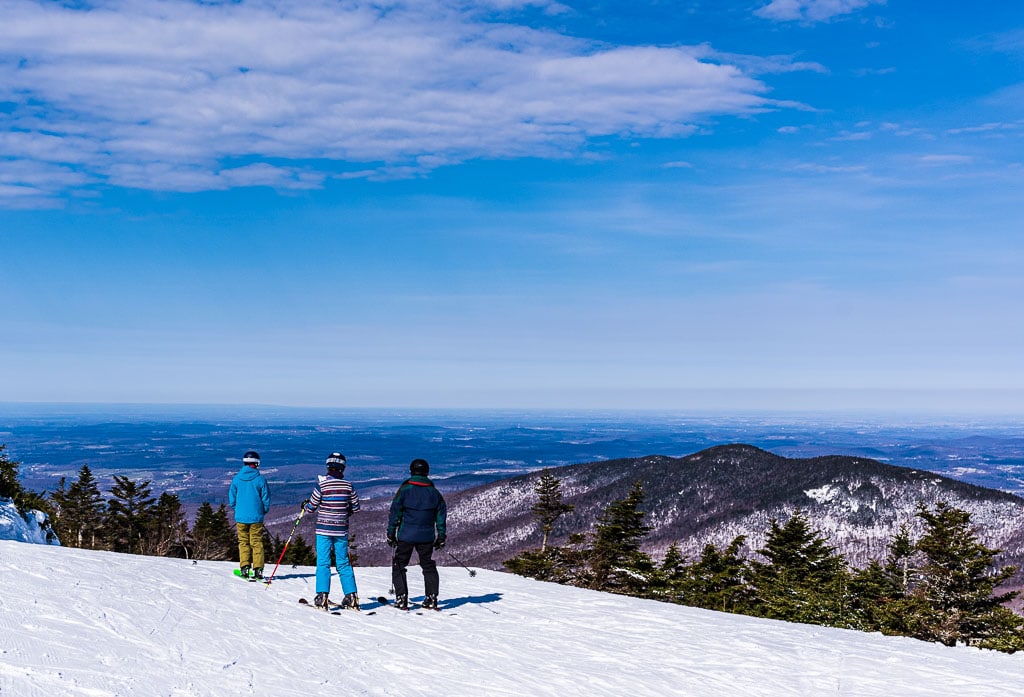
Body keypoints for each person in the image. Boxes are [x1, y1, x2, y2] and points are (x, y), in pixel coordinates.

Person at [387, 458, 448, 610]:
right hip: (427, 536)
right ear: (427, 472)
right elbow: (441, 516)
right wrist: (441, 536)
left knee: (399, 564)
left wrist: (391, 533)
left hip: (406, 535)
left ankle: (401, 598)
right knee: (428, 565)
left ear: (412, 471)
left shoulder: (405, 490)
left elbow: (395, 512)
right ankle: (431, 597)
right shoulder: (435, 493)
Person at [303, 452, 361, 610]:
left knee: (323, 562)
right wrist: (345, 510)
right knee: (343, 563)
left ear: (328, 466)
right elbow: (356, 507)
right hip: (341, 529)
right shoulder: (348, 486)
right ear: (343, 467)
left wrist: (305, 506)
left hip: (323, 529)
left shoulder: (322, 485)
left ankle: (322, 596)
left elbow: (311, 508)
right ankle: (351, 596)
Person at [228, 450, 271, 580]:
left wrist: (238, 510)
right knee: (256, 542)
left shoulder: (236, 479)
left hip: (241, 517)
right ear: (257, 464)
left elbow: (232, 499)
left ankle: (245, 568)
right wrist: (262, 511)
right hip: (256, 517)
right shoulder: (260, 479)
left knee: (243, 542)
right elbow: (266, 499)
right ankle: (258, 570)